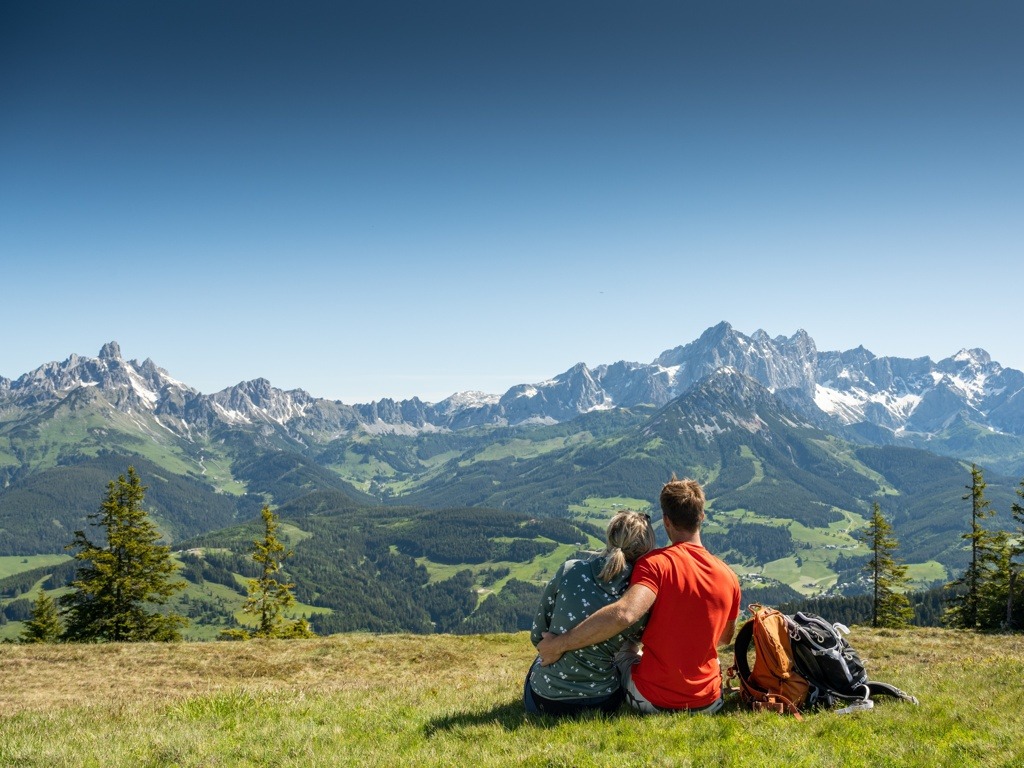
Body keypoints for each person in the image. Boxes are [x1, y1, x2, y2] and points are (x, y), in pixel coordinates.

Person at [537, 477, 741, 714]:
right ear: (702, 516)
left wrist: (559, 644)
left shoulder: (655, 564)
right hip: (710, 702)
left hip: (654, 699)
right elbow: (725, 637)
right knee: (712, 660)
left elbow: (625, 614)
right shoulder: (729, 576)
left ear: (666, 521)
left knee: (626, 651)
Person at [524, 510, 656, 716]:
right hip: (601, 701)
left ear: (610, 537)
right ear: (646, 549)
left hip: (544, 699)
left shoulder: (570, 570)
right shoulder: (635, 599)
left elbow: (537, 637)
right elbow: (638, 640)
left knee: (537, 664)